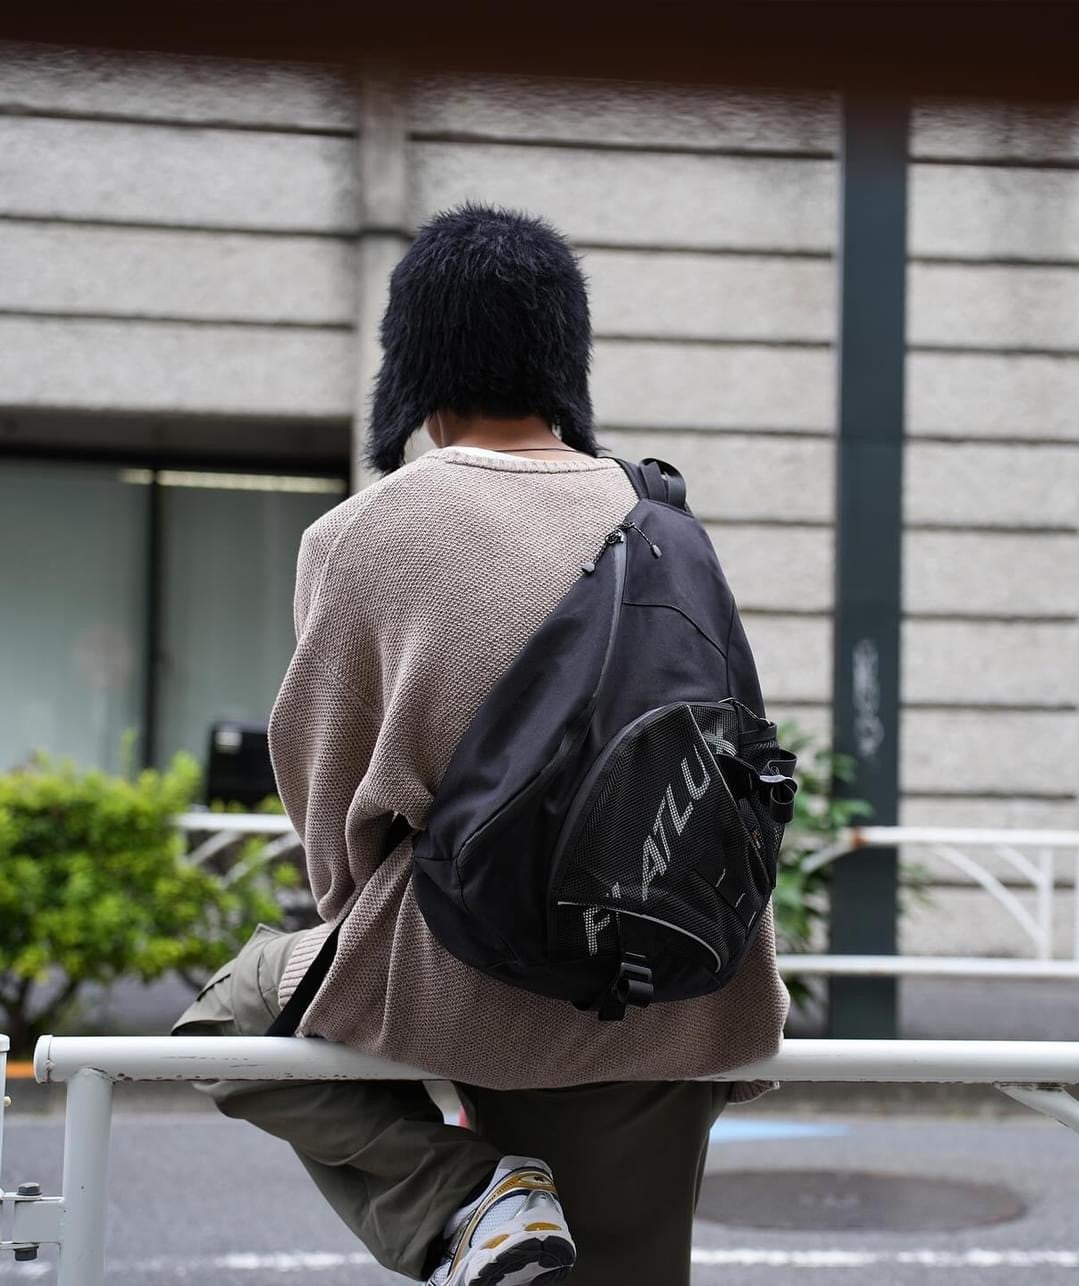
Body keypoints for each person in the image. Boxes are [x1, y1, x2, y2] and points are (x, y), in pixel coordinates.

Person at [174, 203, 790, 1286]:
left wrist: (394, 944)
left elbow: (332, 811)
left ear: (414, 369)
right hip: (684, 978)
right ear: (565, 362)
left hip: (465, 968)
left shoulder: (362, 533)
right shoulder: (664, 519)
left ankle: (465, 1197)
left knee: (227, 1020)